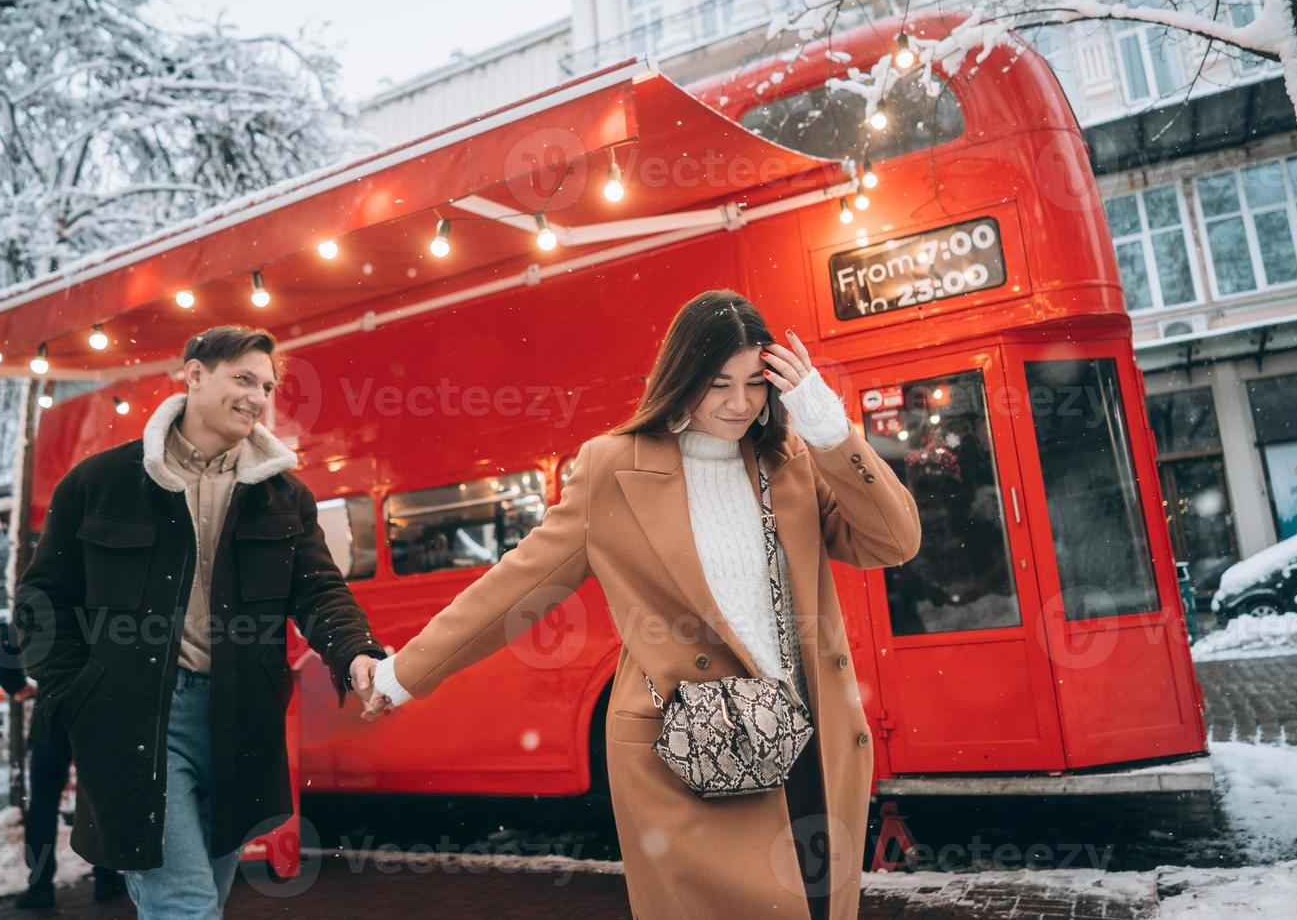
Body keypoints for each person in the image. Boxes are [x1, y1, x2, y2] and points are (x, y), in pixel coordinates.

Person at [363, 290, 922, 920]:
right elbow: (518, 586)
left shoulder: (789, 460)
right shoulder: (612, 467)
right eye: (718, 384)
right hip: (687, 753)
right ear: (682, 378)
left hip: (803, 742)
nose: (739, 404)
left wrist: (827, 428)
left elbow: (893, 540)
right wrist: (404, 673)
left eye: (754, 385)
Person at [15, 326, 386, 919]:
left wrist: (356, 652)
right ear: (193, 375)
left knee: (204, 899)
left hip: (240, 722)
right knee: (185, 904)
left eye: (266, 385)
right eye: (243, 378)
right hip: (139, 722)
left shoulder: (284, 496)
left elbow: (318, 590)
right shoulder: (98, 483)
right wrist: (78, 693)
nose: (257, 397)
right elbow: (41, 599)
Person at [0, 621, 126, 909]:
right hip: (93, 707)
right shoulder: (96, 601)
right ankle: (106, 874)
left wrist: (18, 687)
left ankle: (40, 887)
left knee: (43, 803)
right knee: (97, 794)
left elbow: (4, 641)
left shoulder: (48, 597)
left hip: (52, 710)